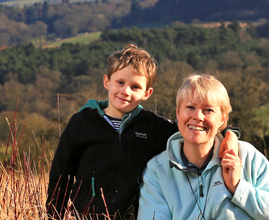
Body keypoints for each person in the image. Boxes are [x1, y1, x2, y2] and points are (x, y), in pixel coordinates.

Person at [46, 44, 240, 220]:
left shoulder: (154, 127)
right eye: (120, 82)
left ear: (147, 93)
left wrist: (230, 135)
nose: (126, 91)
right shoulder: (82, 122)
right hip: (86, 217)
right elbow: (61, 174)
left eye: (135, 87)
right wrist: (53, 215)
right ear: (107, 81)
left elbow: (195, 129)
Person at [137, 74, 269, 220]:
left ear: (222, 119)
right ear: (178, 112)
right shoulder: (157, 170)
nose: (198, 117)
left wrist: (238, 187)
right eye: (190, 107)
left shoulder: (246, 156)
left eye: (208, 110)